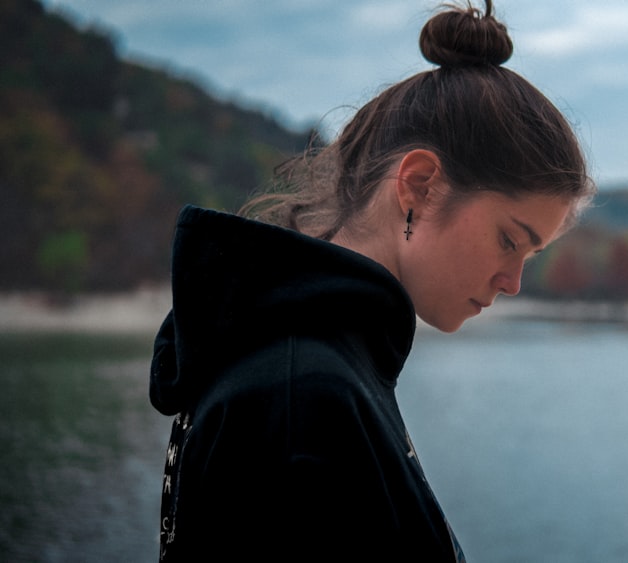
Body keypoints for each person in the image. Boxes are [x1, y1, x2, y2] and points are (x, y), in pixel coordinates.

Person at [149, 1, 594, 560]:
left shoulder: (315, 361)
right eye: (510, 239)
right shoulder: (301, 398)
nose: (513, 283)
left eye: (531, 254)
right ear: (420, 185)